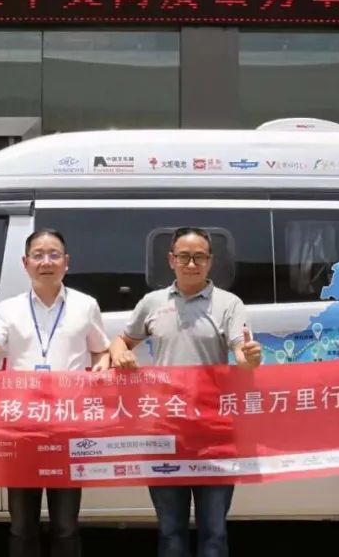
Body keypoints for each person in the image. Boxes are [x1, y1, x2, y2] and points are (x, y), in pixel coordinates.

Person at [107, 226, 262, 557]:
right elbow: (123, 339)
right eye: (184, 257)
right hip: (164, 431)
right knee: (170, 532)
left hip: (214, 433)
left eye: (199, 257)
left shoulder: (229, 304)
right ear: (171, 260)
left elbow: (241, 352)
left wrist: (249, 358)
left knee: (214, 533)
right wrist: (120, 353)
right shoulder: (152, 303)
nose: (192, 264)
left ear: (210, 261)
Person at [0, 228, 110, 557]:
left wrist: (102, 368)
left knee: (66, 524)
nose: (46, 262)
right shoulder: (8, 309)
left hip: (68, 427)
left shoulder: (86, 305)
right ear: (25, 263)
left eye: (53, 255)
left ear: (66, 262)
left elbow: (100, 350)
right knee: (22, 525)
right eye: (38, 255)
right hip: (22, 428)